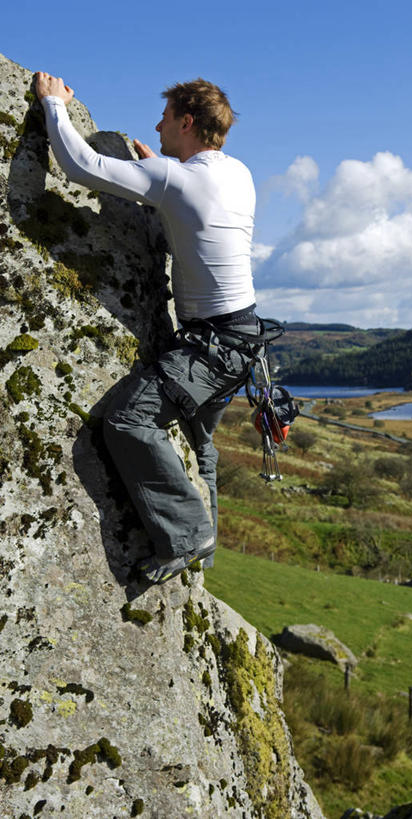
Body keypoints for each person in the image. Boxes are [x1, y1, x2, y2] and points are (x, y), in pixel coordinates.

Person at [35, 72, 261, 583]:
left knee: (127, 421)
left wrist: (54, 107)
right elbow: (190, 219)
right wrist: (161, 172)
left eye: (164, 117)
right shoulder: (237, 173)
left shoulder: (176, 178)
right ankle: (201, 559)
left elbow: (81, 166)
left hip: (212, 346)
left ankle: (187, 536)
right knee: (199, 446)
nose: (156, 125)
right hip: (242, 340)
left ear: (186, 121)